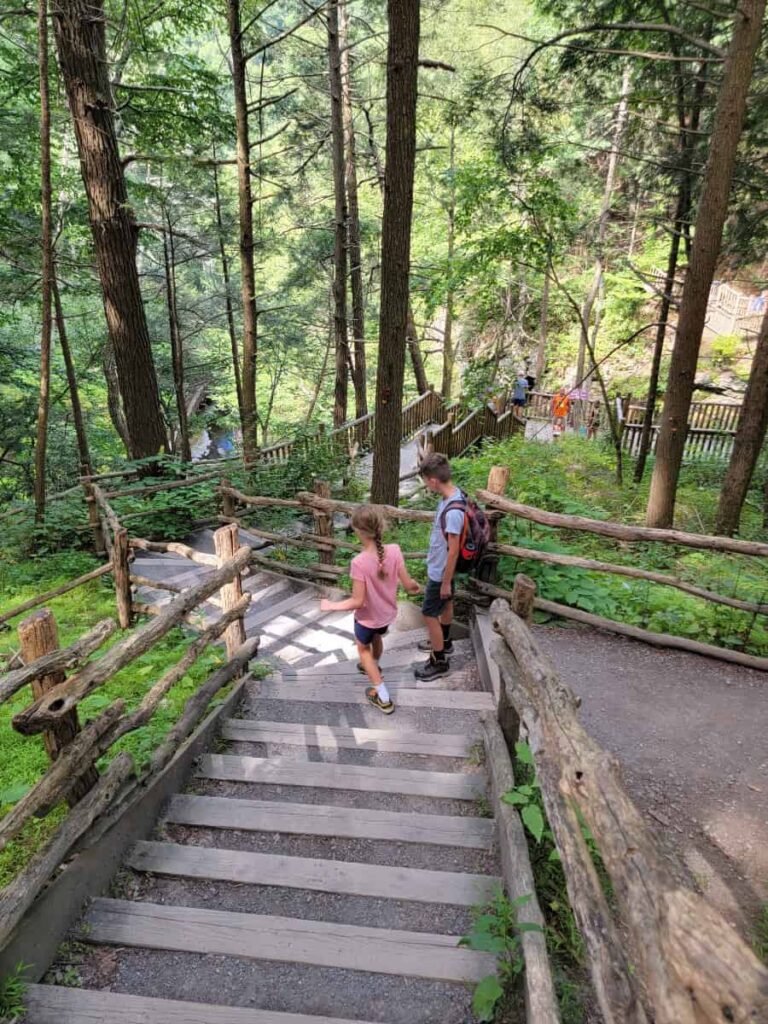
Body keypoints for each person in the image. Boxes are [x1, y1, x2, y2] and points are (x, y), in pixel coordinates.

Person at [320, 505, 420, 714]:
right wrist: (414, 587)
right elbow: (409, 586)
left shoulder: (359, 563)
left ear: (357, 531)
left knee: (363, 649)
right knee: (377, 639)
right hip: (387, 616)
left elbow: (358, 601)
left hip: (367, 619)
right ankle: (374, 665)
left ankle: (383, 697)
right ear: (380, 527)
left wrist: (331, 605)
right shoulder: (395, 550)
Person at [414, 453, 464, 680]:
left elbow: (453, 550)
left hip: (441, 572)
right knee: (446, 605)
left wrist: (444, 581)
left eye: (426, 481)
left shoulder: (453, 511)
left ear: (433, 481)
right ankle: (444, 641)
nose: (426, 485)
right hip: (444, 568)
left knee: (428, 613)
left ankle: (439, 660)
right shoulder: (452, 496)